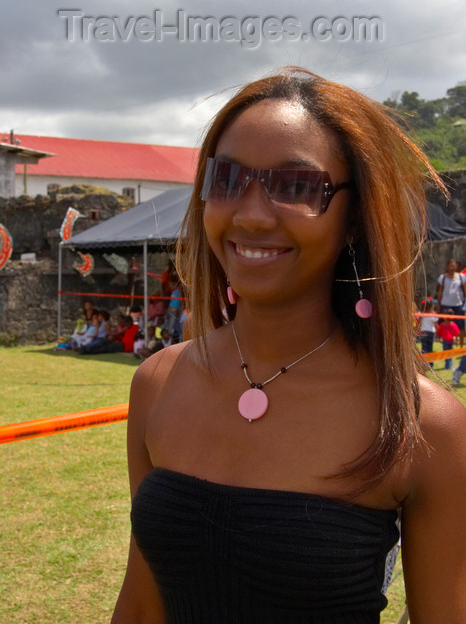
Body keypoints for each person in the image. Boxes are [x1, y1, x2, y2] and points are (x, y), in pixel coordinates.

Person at [111, 69, 466, 624]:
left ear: (353, 219)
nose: (251, 215)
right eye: (226, 179)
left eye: (297, 186)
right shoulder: (158, 383)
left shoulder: (423, 424)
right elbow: (140, 603)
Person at [436, 259, 466, 347]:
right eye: (450, 265)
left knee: (461, 327)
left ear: (456, 266)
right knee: (445, 326)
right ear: (447, 266)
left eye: (453, 265)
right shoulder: (443, 278)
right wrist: (438, 304)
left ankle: (460, 346)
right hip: (446, 304)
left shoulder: (461, 277)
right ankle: (446, 345)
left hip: (458, 305)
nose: (452, 267)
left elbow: (465, 291)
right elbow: (440, 292)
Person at [418, 298, 437, 366]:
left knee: (424, 348)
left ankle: (424, 363)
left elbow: (418, 323)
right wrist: (438, 332)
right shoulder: (433, 314)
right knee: (430, 348)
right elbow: (435, 324)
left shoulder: (420, 313)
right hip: (431, 333)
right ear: (431, 306)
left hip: (423, 332)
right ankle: (430, 363)